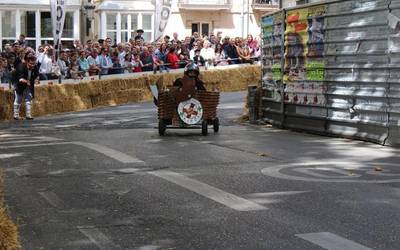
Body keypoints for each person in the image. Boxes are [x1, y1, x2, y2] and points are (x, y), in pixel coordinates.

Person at [13, 53, 39, 120]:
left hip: (29, 85)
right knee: (18, 99)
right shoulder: (21, 66)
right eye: (31, 63)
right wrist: (27, 82)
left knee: (28, 99)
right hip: (19, 84)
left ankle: (28, 115)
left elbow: (36, 75)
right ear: (27, 62)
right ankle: (16, 115)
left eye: (34, 63)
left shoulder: (35, 67)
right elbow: (20, 79)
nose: (32, 65)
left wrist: (36, 79)